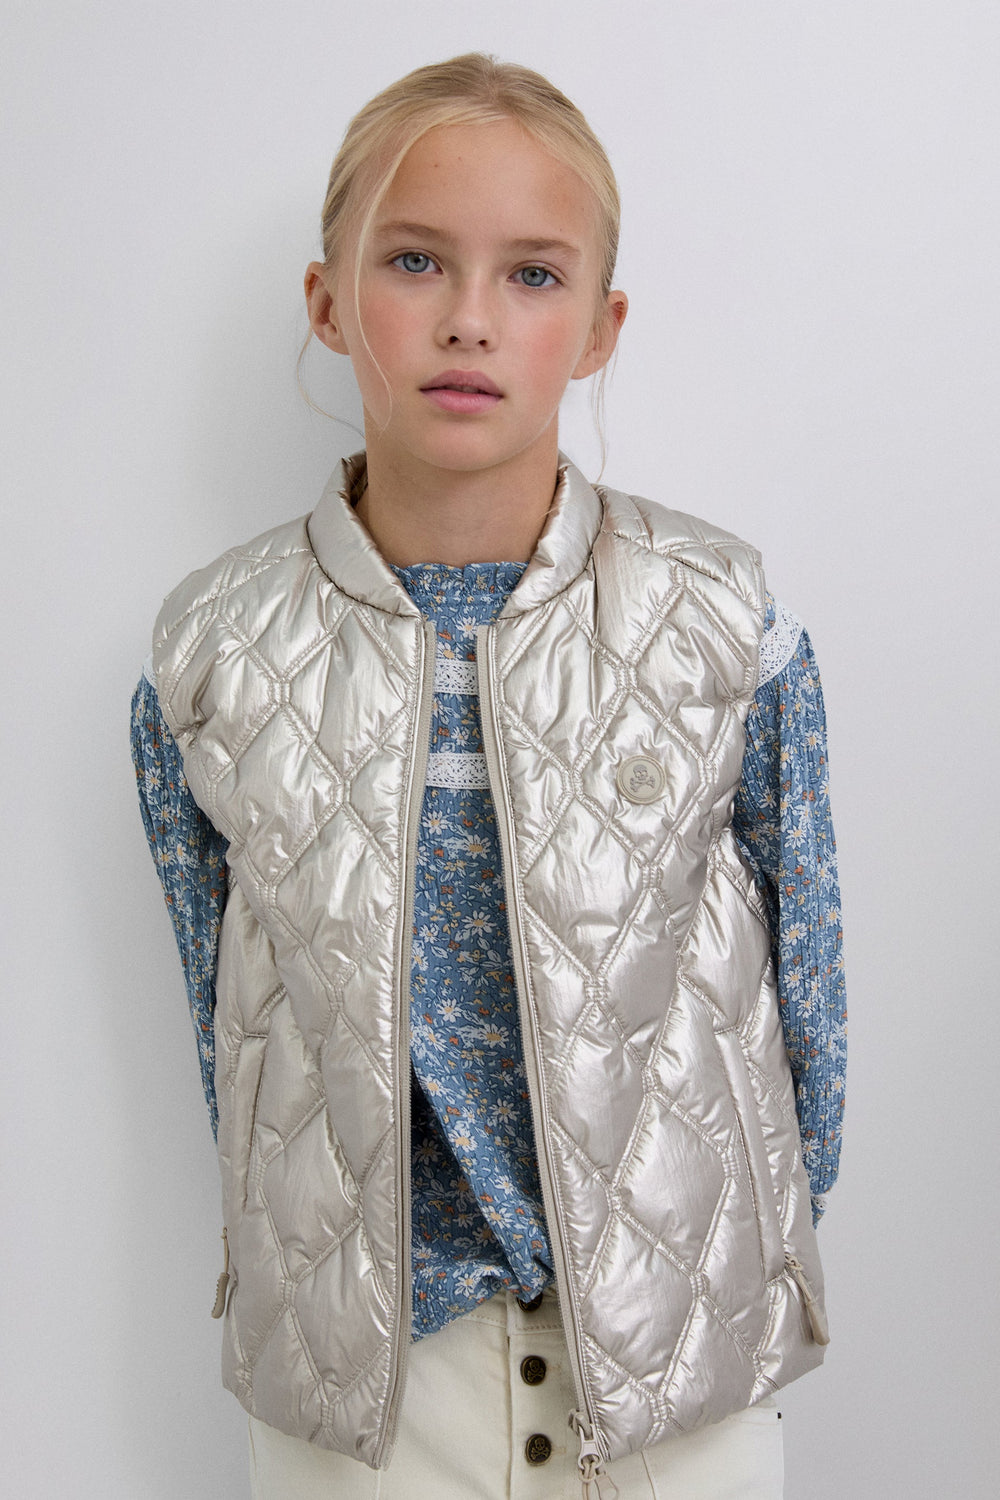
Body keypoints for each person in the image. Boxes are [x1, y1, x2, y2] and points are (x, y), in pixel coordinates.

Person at [131, 52, 845, 1500]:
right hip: (363, 1408)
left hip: (676, 1382)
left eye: (532, 274)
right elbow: (232, 1022)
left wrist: (716, 1264)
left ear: (598, 328)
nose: (470, 317)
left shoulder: (724, 625)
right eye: (414, 261)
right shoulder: (213, 654)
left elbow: (808, 1004)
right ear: (328, 302)